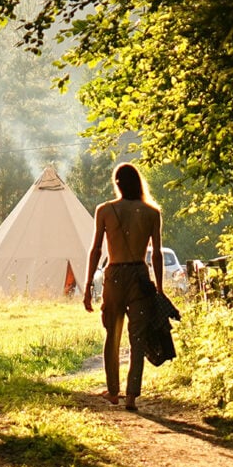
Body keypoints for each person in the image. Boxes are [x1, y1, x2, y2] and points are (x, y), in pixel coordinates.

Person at [83, 163, 163, 411]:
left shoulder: (105, 210)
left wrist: (88, 284)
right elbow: (157, 254)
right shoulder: (151, 212)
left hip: (115, 275)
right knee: (137, 338)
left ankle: (113, 390)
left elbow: (96, 249)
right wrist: (160, 288)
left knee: (113, 334)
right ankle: (131, 395)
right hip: (140, 275)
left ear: (117, 183)